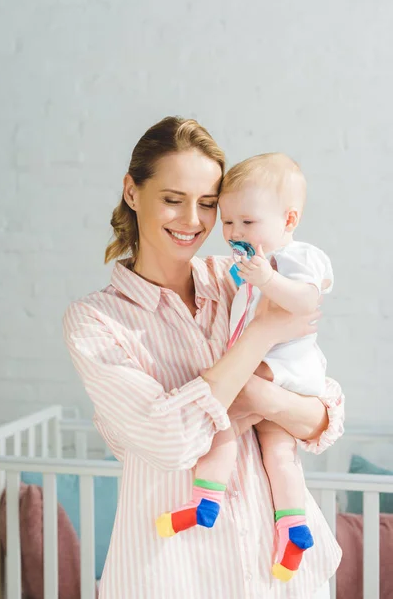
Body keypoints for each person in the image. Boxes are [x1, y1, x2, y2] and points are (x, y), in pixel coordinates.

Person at [63, 116, 344, 599]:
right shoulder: (96, 320)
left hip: (282, 579)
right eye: (173, 200)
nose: (193, 220)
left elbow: (322, 414)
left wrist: (251, 395)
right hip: (175, 577)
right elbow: (170, 440)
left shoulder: (237, 277)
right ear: (132, 192)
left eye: (209, 204)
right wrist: (259, 337)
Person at [156, 152, 335, 586]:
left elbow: (308, 303)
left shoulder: (298, 257)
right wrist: (250, 280)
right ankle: (293, 529)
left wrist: (266, 280)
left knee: (220, 418)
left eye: (248, 223)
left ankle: (206, 500)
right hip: (276, 369)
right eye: (229, 222)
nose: (234, 232)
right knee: (279, 454)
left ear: (289, 220)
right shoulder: (246, 269)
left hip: (283, 367)